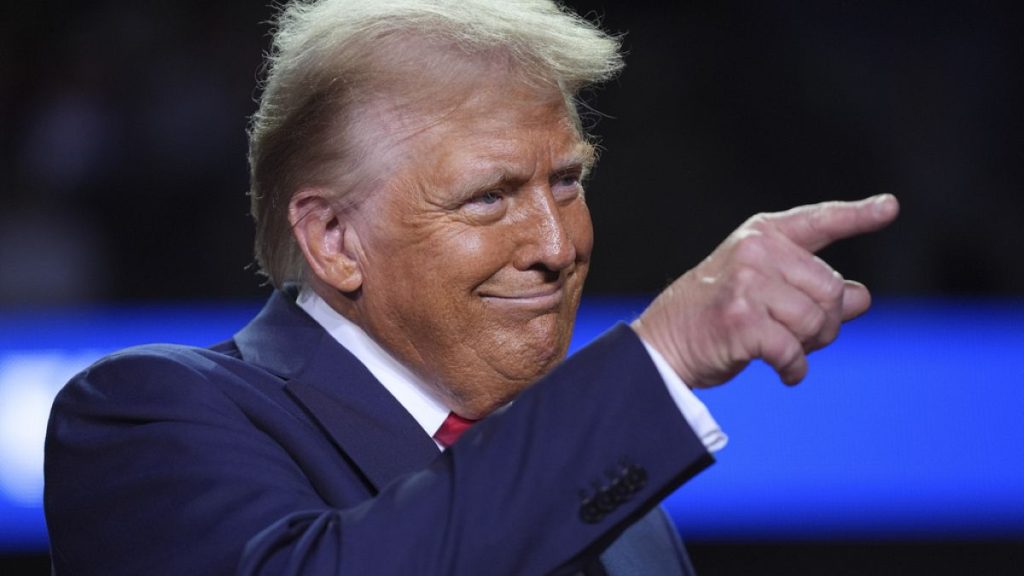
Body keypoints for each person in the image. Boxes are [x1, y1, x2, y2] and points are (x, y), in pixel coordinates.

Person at [43, 1, 899, 574]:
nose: (559, 245)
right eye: (490, 196)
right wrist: (662, 354)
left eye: (567, 180)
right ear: (334, 239)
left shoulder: (629, 510)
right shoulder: (144, 417)